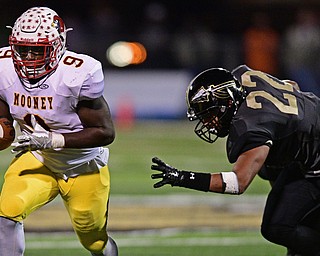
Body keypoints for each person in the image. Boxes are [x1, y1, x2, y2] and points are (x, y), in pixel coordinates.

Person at [151, 65, 320, 255]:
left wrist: (181, 177)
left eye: (210, 114)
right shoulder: (242, 76)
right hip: (308, 143)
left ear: (228, 103)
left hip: (315, 159)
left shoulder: (252, 125)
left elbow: (237, 182)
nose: (208, 123)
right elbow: (292, 85)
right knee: (269, 169)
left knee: (277, 226)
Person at [0, 7, 118, 256]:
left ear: (57, 46)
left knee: (93, 241)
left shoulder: (76, 73)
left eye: (37, 49)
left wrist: (53, 139)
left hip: (83, 166)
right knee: (7, 211)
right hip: (38, 160)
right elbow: (3, 110)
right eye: (22, 49)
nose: (28, 57)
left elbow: (105, 132)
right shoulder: (4, 67)